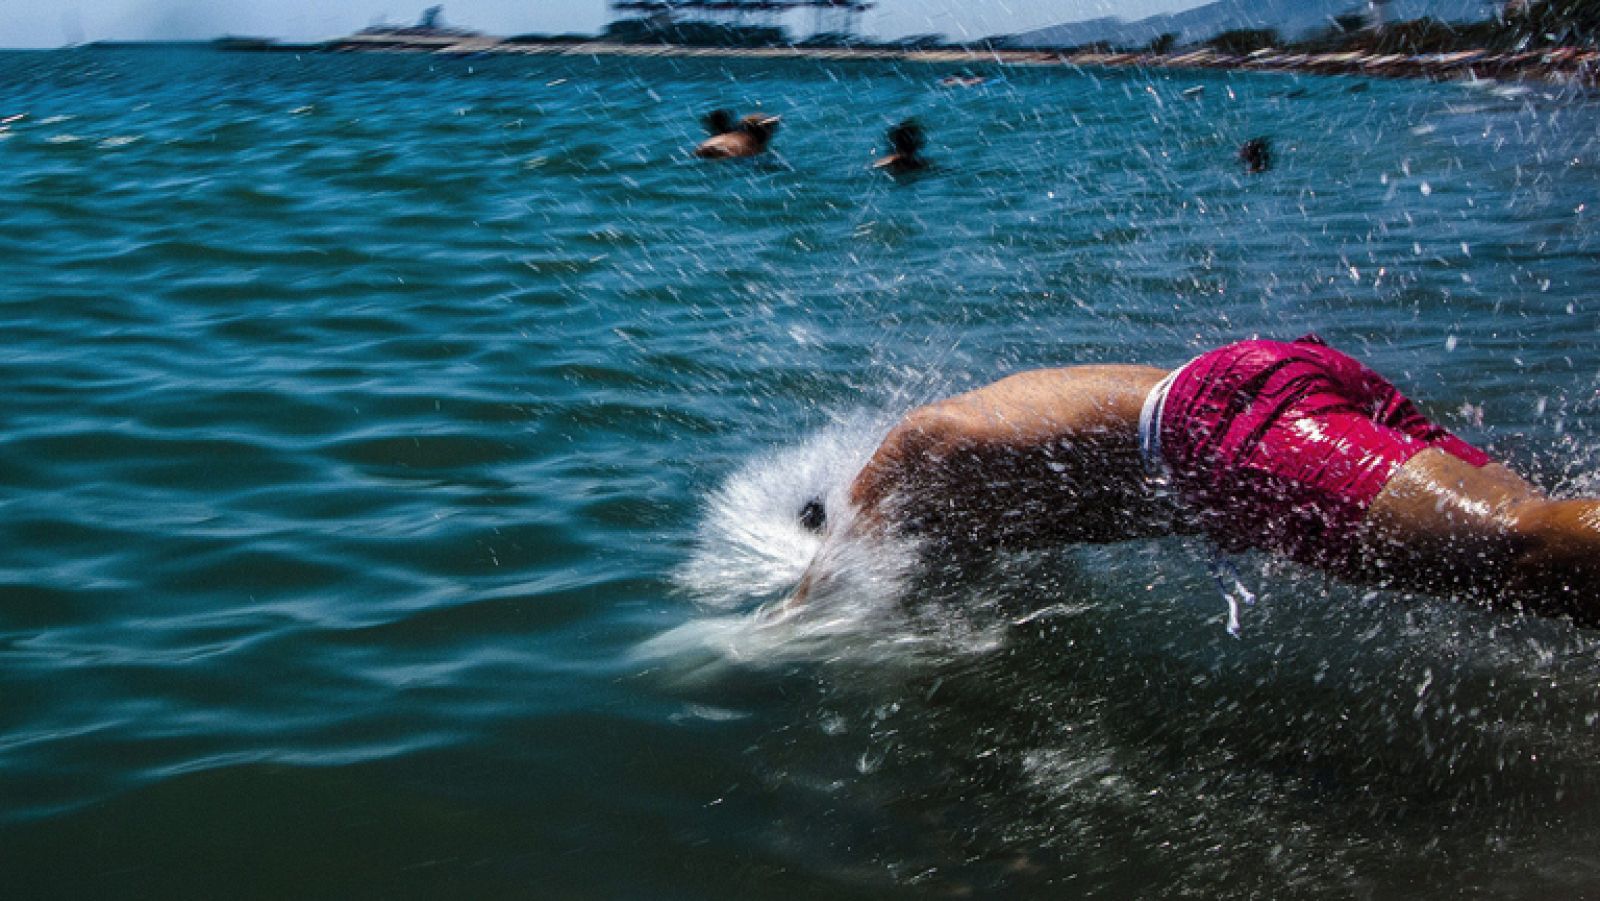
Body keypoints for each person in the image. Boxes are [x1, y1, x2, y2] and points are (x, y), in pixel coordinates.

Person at [790, 335, 1600, 622]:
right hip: (1280, 379)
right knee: (1531, 568)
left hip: (1225, 428)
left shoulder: (910, 471)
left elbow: (901, 464)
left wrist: (779, 626)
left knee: (1512, 546)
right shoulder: (973, 496)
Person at [694, 111, 781, 159]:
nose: (772, 132)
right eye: (771, 128)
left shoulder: (726, 136)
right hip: (723, 154)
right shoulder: (751, 143)